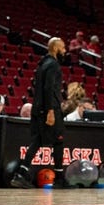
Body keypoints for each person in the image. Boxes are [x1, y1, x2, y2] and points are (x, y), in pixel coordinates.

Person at [10, 37, 67, 188]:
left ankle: (21, 174)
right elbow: (48, 88)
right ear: (55, 48)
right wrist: (50, 111)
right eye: (63, 48)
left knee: (37, 142)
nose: (65, 51)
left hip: (38, 108)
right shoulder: (53, 65)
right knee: (58, 140)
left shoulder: (42, 64)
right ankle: (60, 179)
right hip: (49, 108)